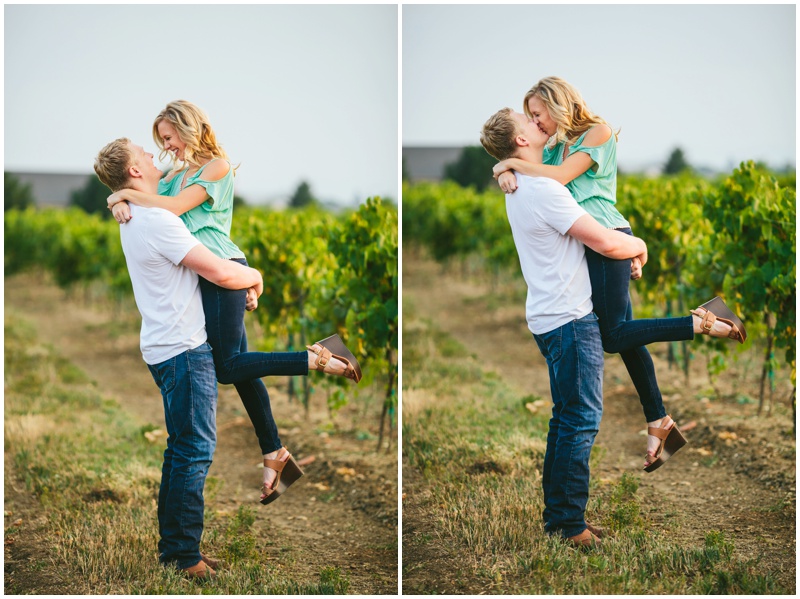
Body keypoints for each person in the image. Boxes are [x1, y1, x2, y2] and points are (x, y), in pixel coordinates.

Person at [105, 101, 362, 503]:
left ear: (187, 127)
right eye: (160, 141)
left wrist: (121, 193)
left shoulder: (216, 167)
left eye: (168, 137)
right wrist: (121, 201)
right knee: (241, 369)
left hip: (223, 267)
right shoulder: (173, 175)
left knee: (226, 367)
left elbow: (170, 208)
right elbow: (149, 198)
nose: (166, 147)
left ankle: (316, 358)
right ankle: (274, 451)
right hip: (205, 272)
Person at [491, 78, 746, 471]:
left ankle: (703, 322)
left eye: (537, 113)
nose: (535, 122)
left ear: (557, 103)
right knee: (624, 334)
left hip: (609, 236)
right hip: (591, 241)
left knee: (612, 335)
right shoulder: (555, 146)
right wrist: (504, 168)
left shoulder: (599, 132)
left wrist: (508, 164)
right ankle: (659, 419)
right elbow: (536, 172)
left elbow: (555, 179)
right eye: (531, 117)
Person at [94, 137, 267, 578]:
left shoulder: (133, 216)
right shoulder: (157, 221)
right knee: (194, 451)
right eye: (145, 154)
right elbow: (220, 270)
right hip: (185, 349)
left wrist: (118, 196)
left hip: (160, 346)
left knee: (179, 450)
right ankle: (185, 556)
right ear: (135, 171)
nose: (154, 156)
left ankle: (174, 548)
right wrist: (255, 275)